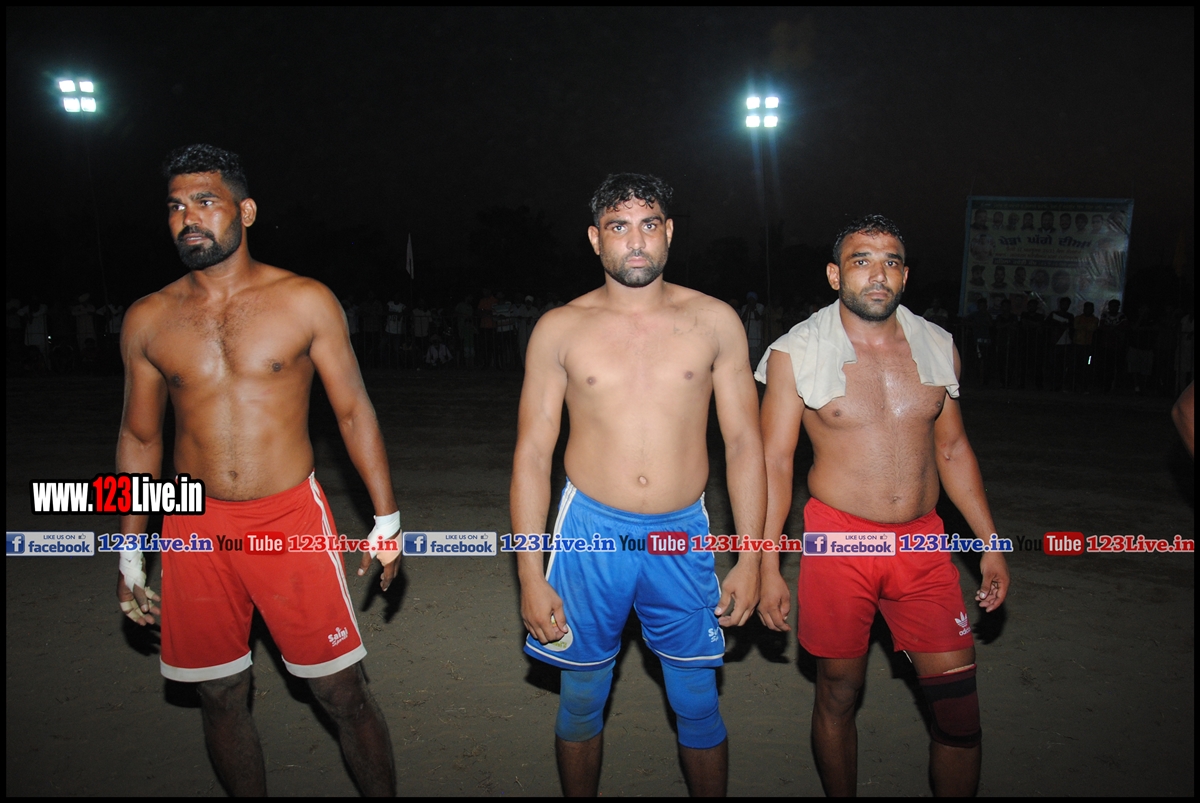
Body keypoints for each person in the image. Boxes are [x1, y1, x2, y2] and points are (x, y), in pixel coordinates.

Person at [115, 144, 399, 796]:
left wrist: (387, 518)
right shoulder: (148, 317)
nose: (188, 218)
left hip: (288, 517)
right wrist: (131, 550)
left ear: (244, 211)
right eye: (175, 206)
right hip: (192, 524)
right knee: (218, 693)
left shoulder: (305, 300)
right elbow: (139, 437)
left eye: (205, 201)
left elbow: (353, 411)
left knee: (340, 690)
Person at [512, 173, 765, 797]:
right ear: (595, 238)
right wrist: (529, 573)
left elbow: (744, 444)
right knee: (581, 697)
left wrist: (752, 557)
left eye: (649, 225)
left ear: (669, 233)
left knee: (698, 700)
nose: (635, 241)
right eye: (618, 227)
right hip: (590, 532)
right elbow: (533, 454)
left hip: (682, 533)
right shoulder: (559, 328)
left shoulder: (715, 320)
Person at [757, 215, 1010, 797]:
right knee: (839, 692)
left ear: (905, 276)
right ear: (834, 274)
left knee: (959, 712)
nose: (878, 274)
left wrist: (991, 544)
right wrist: (766, 564)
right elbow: (774, 463)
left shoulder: (937, 346)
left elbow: (952, 448)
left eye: (891, 261)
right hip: (839, 540)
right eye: (861, 260)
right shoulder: (795, 352)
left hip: (923, 542)